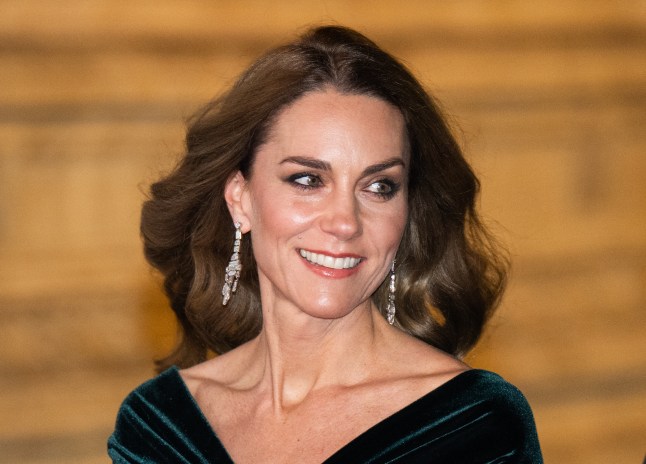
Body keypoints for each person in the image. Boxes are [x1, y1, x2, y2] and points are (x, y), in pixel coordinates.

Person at [108, 25, 542, 463]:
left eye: (379, 187)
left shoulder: (474, 427)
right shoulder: (161, 427)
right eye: (308, 180)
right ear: (240, 198)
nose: (345, 223)